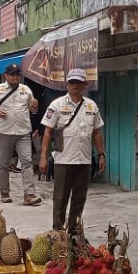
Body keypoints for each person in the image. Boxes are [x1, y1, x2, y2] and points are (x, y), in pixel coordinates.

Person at [39, 68, 105, 232]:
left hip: (84, 160)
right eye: (72, 82)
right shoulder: (57, 105)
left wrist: (101, 154)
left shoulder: (91, 106)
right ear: (67, 84)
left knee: (79, 198)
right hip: (63, 160)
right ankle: (58, 231)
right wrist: (43, 157)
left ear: (85, 85)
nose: (75, 85)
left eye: (79, 82)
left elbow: (97, 132)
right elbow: (48, 132)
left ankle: (74, 231)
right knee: (60, 198)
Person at [0, 63, 42, 206]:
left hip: (23, 132)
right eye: (12, 74)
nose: (15, 77)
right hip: (5, 131)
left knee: (27, 162)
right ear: (6, 75)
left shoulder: (26, 90)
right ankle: (4, 193)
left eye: (17, 74)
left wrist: (35, 106)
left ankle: (29, 194)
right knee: (4, 164)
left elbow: (33, 110)